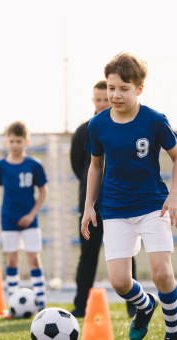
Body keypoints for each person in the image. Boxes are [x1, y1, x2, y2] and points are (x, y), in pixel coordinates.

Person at [81, 53, 177, 340]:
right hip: (114, 208)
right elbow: (96, 165)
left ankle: (173, 336)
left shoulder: (154, 121)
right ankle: (145, 305)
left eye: (123, 89)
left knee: (161, 274)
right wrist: (90, 206)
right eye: (112, 88)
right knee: (118, 281)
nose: (115, 94)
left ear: (139, 89)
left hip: (153, 205)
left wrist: (175, 194)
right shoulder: (97, 125)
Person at [70, 79, 138, 319]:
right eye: (98, 99)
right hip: (91, 207)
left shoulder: (125, 128)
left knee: (126, 254)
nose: (102, 103)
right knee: (87, 256)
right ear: (93, 100)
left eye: (105, 98)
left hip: (120, 204)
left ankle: (134, 305)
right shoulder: (83, 131)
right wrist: (92, 195)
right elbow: (80, 166)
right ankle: (80, 305)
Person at [0, 121, 48, 310]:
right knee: (11, 259)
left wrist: (32, 214)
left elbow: (43, 192)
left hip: (29, 220)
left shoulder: (34, 165)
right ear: (7, 142)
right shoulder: (0, 165)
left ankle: (40, 300)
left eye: (19, 141)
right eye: (12, 141)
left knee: (33, 259)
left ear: (26, 142)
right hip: (9, 218)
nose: (15, 145)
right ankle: (13, 300)